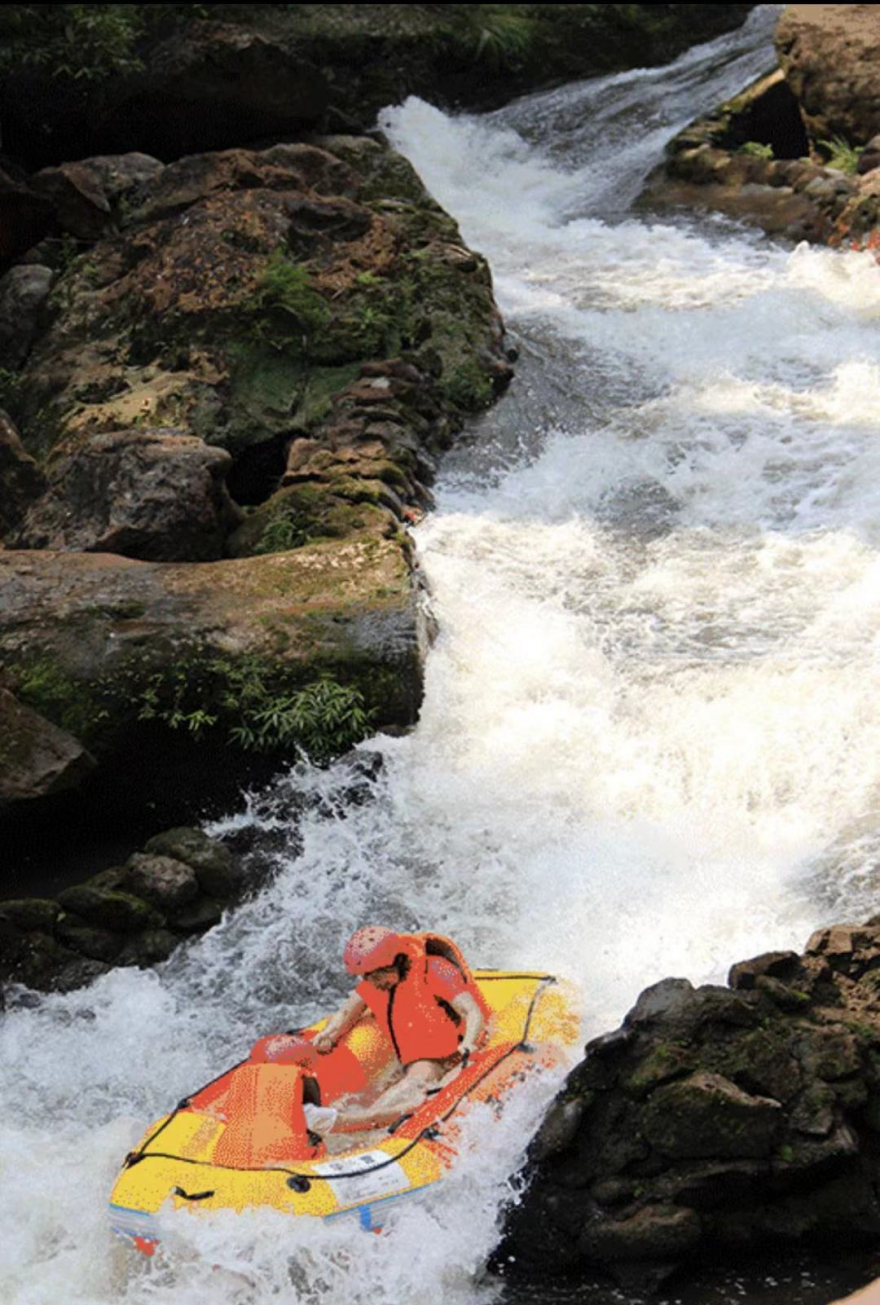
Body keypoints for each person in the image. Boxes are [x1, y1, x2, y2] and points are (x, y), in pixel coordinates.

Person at [306, 926, 488, 1133]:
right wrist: (327, 1036)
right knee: (389, 1086)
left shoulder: (434, 970)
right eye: (366, 977)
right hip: (412, 1057)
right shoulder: (375, 982)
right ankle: (349, 1122)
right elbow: (345, 1014)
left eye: (375, 976)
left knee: (415, 1081)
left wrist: (469, 1043)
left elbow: (471, 1011)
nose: (371, 983)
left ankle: (357, 1124)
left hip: (445, 1056)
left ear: (395, 964)